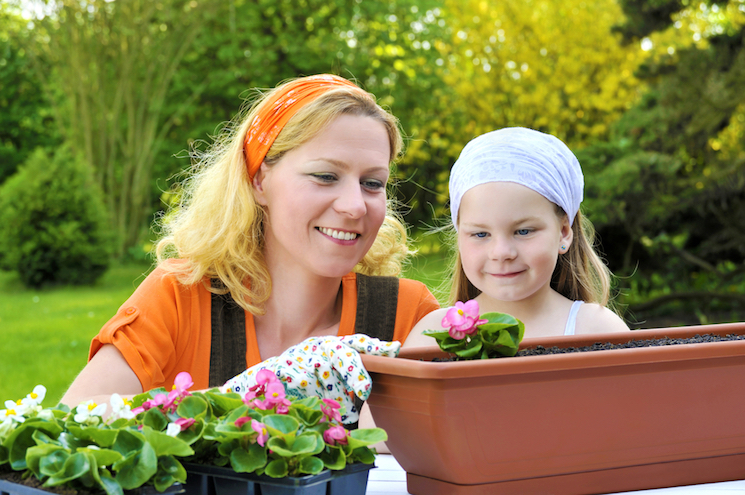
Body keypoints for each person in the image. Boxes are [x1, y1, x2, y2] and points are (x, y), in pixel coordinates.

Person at [60, 74, 439, 409]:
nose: (355, 205)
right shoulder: (181, 297)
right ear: (259, 180)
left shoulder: (407, 314)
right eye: (325, 176)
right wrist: (247, 401)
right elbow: (75, 414)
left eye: (372, 183)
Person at [407, 127, 628, 343]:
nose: (501, 253)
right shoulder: (432, 337)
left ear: (563, 233)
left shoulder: (598, 331)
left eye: (523, 231)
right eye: (481, 234)